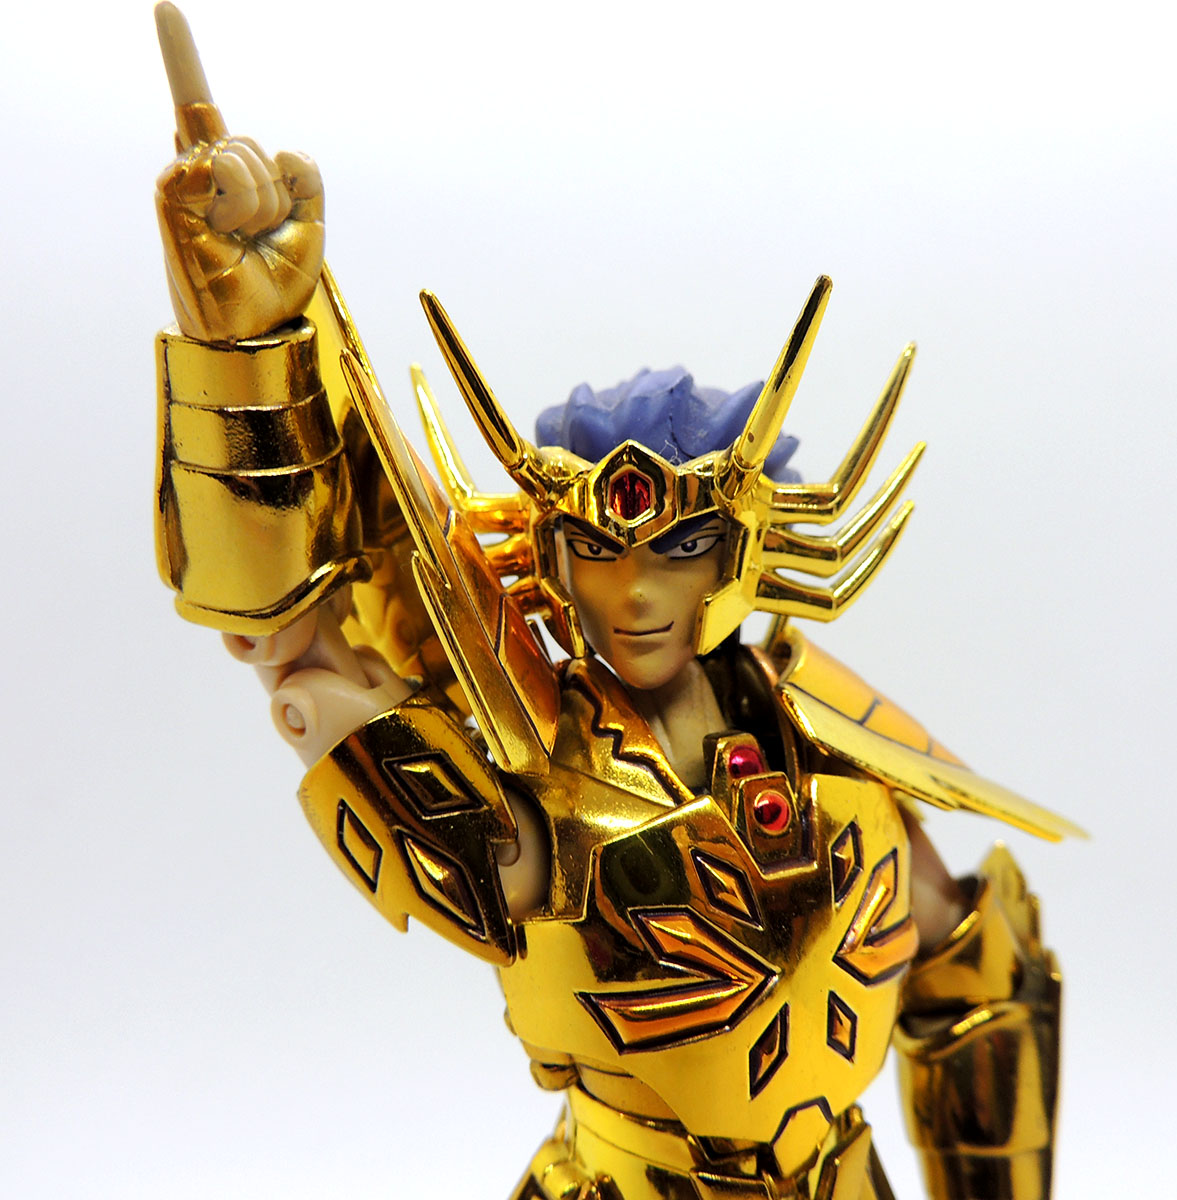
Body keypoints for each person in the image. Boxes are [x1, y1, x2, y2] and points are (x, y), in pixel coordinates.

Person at [151, 6, 1079, 1197]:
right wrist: (253, 344)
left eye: (680, 547)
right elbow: (295, 644)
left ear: (741, 550)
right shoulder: (544, 758)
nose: (635, 590)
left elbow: (968, 968)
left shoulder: (821, 727)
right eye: (596, 549)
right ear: (549, 554)